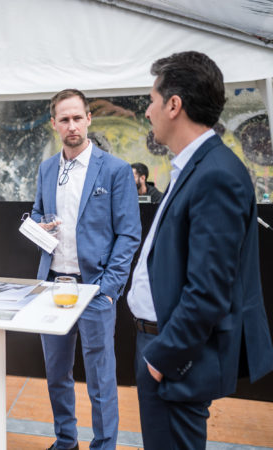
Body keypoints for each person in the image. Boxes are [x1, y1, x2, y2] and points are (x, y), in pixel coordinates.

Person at [127, 51, 273, 449]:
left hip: (174, 358)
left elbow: (209, 291)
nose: (147, 111)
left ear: (174, 105)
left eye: (152, 100)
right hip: (161, 347)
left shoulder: (217, 174)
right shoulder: (196, 166)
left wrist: (162, 359)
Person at [32, 89, 141, 450]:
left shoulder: (115, 170)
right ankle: (66, 441)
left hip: (94, 289)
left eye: (78, 118)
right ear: (54, 124)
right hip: (53, 286)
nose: (72, 125)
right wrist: (37, 224)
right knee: (56, 374)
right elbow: (38, 212)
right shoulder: (47, 168)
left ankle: (104, 445)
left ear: (89, 119)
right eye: (64, 119)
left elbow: (129, 234)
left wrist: (109, 289)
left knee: (100, 378)